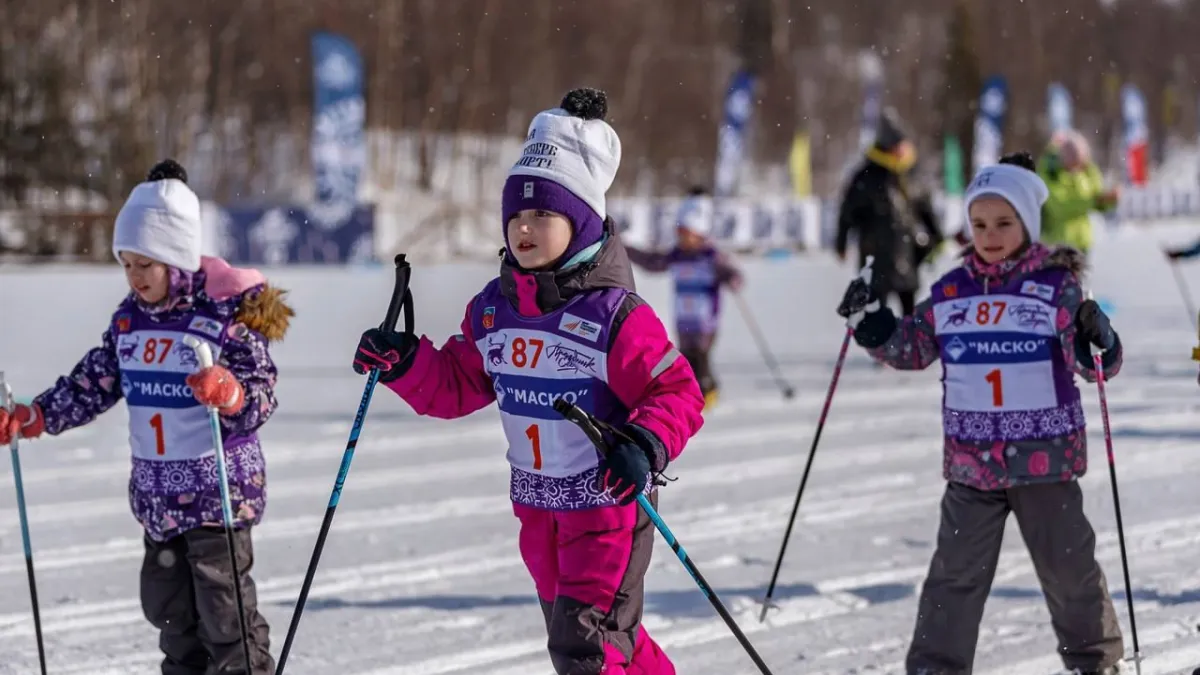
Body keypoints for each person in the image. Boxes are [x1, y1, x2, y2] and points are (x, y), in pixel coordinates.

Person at [351, 88, 704, 675]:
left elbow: (676, 392)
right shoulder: (496, 310)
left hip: (605, 509)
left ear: (583, 220)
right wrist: (406, 363)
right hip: (537, 511)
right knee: (610, 643)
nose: (524, 227)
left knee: (584, 650)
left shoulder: (611, 315)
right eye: (515, 213)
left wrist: (643, 442)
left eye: (543, 213)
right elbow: (459, 383)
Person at [836, 151, 1126, 675]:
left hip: (1045, 463)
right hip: (972, 467)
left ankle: (1095, 664)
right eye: (979, 224)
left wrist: (1095, 341)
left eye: (1003, 223)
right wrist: (873, 324)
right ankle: (935, 668)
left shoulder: (1055, 288)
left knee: (1069, 572)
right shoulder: (951, 292)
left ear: (1029, 224)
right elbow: (913, 348)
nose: (989, 235)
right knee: (953, 579)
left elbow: (1094, 365)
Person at [0, 160, 289, 674]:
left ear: (175, 259)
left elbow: (262, 396)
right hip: (156, 499)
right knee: (170, 617)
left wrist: (230, 392)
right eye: (126, 264)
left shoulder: (223, 315)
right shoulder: (130, 319)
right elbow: (96, 380)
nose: (134, 277)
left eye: (145, 265)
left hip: (216, 497)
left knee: (226, 620)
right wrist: (37, 414)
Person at [624, 186, 743, 409]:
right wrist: (627, 250)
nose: (682, 238)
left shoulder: (711, 257)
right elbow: (653, 263)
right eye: (680, 233)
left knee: (700, 357)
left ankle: (707, 395)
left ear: (699, 233)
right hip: (683, 317)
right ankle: (692, 397)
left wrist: (731, 278)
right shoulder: (677, 256)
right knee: (685, 357)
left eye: (686, 233)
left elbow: (732, 274)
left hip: (705, 320)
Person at [835, 108, 943, 316]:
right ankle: (882, 346)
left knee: (910, 312)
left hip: (907, 254)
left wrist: (937, 238)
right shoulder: (866, 176)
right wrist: (841, 242)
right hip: (875, 256)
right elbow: (847, 212)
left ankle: (911, 347)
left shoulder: (911, 173)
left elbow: (924, 208)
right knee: (876, 313)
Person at [1037, 129, 1119, 257]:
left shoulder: (1087, 170)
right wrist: (1093, 201)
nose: (1077, 168)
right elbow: (1060, 207)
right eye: (1074, 163)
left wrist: (1110, 199)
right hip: (1056, 244)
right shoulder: (1049, 173)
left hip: (1082, 243)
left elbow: (1098, 201)